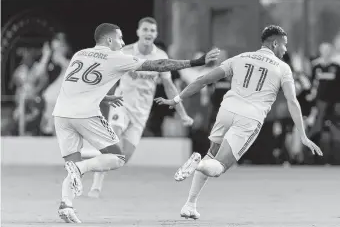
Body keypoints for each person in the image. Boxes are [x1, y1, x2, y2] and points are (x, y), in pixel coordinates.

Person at [53, 23, 220, 223]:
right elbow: (158, 65)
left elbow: (76, 84)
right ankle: (81, 169)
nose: (122, 42)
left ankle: (66, 204)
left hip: (62, 114)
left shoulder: (80, 54)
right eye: (120, 38)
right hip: (85, 114)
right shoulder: (116, 56)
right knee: (117, 157)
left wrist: (105, 98)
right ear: (109, 40)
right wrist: (197, 61)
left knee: (73, 160)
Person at [154, 25, 323, 219]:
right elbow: (293, 101)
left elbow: (203, 80)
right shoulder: (283, 68)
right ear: (275, 43)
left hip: (226, 110)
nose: (285, 49)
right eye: (284, 45)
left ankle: (190, 204)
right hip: (250, 117)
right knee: (219, 167)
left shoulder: (240, 58)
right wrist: (302, 134)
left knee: (212, 154)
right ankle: (198, 164)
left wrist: (176, 100)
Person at [87, 17, 194, 198]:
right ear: (138, 32)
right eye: (145, 29)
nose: (148, 33)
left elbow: (169, 86)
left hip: (141, 114)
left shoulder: (161, 57)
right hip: (121, 105)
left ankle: (90, 158)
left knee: (123, 158)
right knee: (113, 136)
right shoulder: (126, 52)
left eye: (152, 30)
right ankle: (95, 186)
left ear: (156, 34)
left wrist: (183, 114)